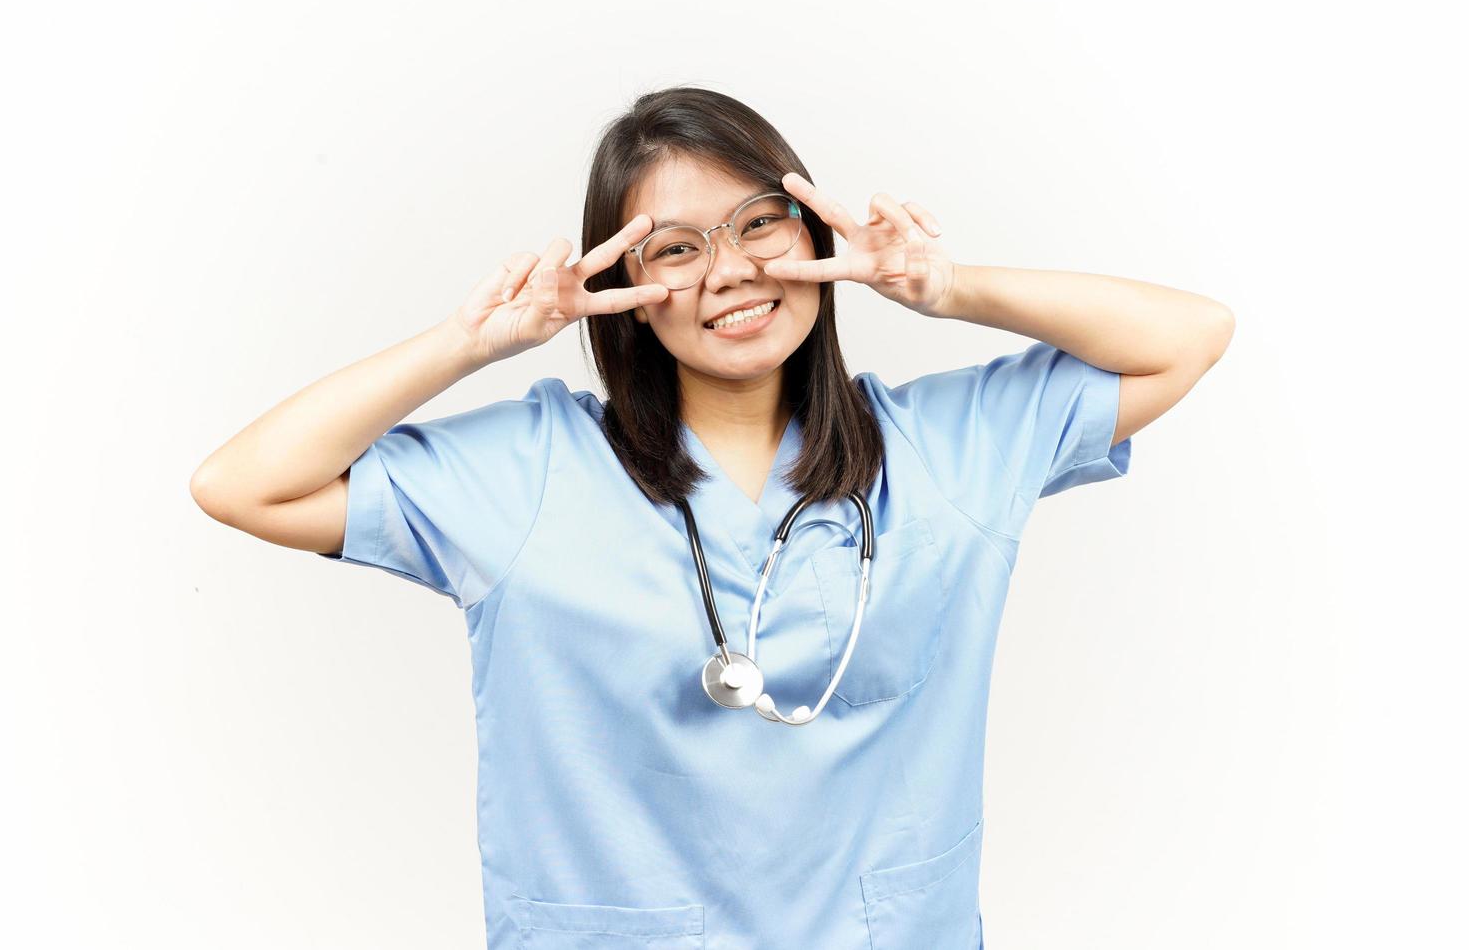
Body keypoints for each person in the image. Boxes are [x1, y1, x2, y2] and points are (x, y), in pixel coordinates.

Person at [190, 86, 1233, 949]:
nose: (730, 271)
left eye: (757, 224)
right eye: (675, 250)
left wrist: (947, 285)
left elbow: (1191, 335)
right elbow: (243, 482)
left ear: (811, 231)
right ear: (628, 288)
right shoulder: (530, 470)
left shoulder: (949, 450)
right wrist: (468, 342)